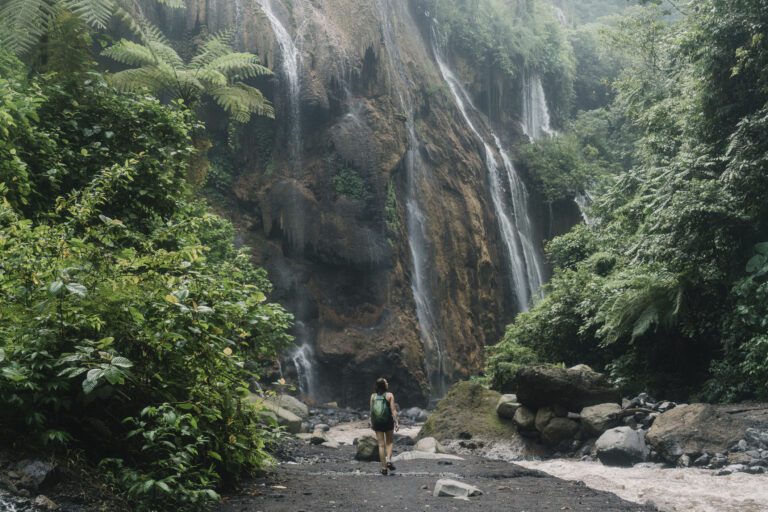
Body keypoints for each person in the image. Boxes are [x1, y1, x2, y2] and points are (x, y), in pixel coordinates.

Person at [369, 377, 399, 475]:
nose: (388, 383)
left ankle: (384, 468)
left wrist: (371, 422)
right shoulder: (389, 395)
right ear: (384, 385)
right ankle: (389, 459)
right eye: (386, 382)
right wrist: (396, 422)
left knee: (381, 445)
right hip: (387, 421)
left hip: (377, 422)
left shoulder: (373, 396)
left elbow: (371, 411)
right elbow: (393, 410)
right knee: (389, 442)